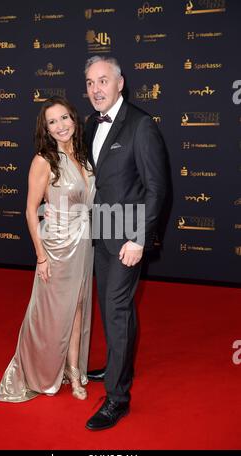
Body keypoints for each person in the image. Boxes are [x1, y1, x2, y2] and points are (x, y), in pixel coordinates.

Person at [84, 56, 168, 430]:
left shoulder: (141, 125)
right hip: (100, 232)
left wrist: (138, 238)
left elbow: (157, 189)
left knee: (116, 311)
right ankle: (119, 364)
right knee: (112, 308)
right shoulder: (89, 124)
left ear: (121, 83)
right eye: (90, 83)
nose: (96, 89)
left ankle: (117, 398)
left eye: (103, 81)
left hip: (127, 239)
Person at [0, 96, 95, 403]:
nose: (61, 126)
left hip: (84, 241)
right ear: (46, 129)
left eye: (64, 118)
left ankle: (74, 371)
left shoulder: (82, 153)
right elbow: (30, 210)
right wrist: (40, 256)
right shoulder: (43, 159)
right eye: (53, 122)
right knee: (50, 315)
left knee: (78, 309)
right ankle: (39, 371)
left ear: (74, 120)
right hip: (56, 246)